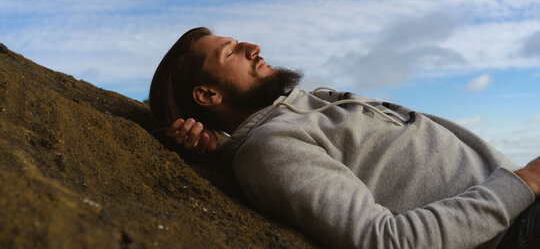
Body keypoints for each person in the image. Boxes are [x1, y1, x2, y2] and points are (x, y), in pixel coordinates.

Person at [149, 27, 540, 249]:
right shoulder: (270, 147)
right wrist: (521, 184)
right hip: (513, 232)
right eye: (231, 51)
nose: (254, 47)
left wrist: (214, 151)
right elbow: (385, 242)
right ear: (208, 95)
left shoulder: (298, 109)